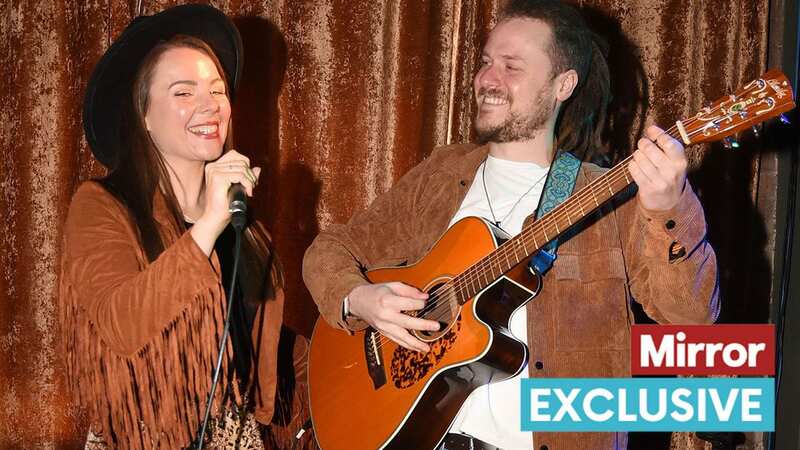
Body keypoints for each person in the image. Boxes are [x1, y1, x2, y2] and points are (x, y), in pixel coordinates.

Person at [302, 0, 719, 449]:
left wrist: (670, 208)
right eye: (485, 62)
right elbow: (330, 249)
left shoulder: (613, 200)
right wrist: (359, 298)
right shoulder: (443, 173)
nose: (487, 79)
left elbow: (692, 319)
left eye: (511, 66)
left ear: (563, 85)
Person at [59, 5, 302, 449]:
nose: (211, 105)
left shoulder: (245, 226)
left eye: (217, 90)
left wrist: (356, 316)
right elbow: (120, 325)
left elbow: (266, 349)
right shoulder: (102, 205)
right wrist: (208, 223)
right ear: (144, 116)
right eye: (183, 93)